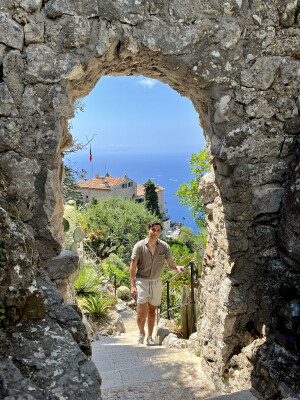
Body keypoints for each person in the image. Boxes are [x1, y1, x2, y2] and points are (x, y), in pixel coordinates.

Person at [130, 220, 185, 345]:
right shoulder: (139, 246)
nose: (155, 232)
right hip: (141, 281)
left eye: (158, 230)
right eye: (153, 229)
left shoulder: (164, 246)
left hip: (156, 282)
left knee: (152, 310)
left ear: (160, 232)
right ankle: (141, 333)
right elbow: (132, 267)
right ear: (148, 230)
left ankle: (149, 337)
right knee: (141, 311)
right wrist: (133, 285)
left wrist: (177, 267)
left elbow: (170, 263)